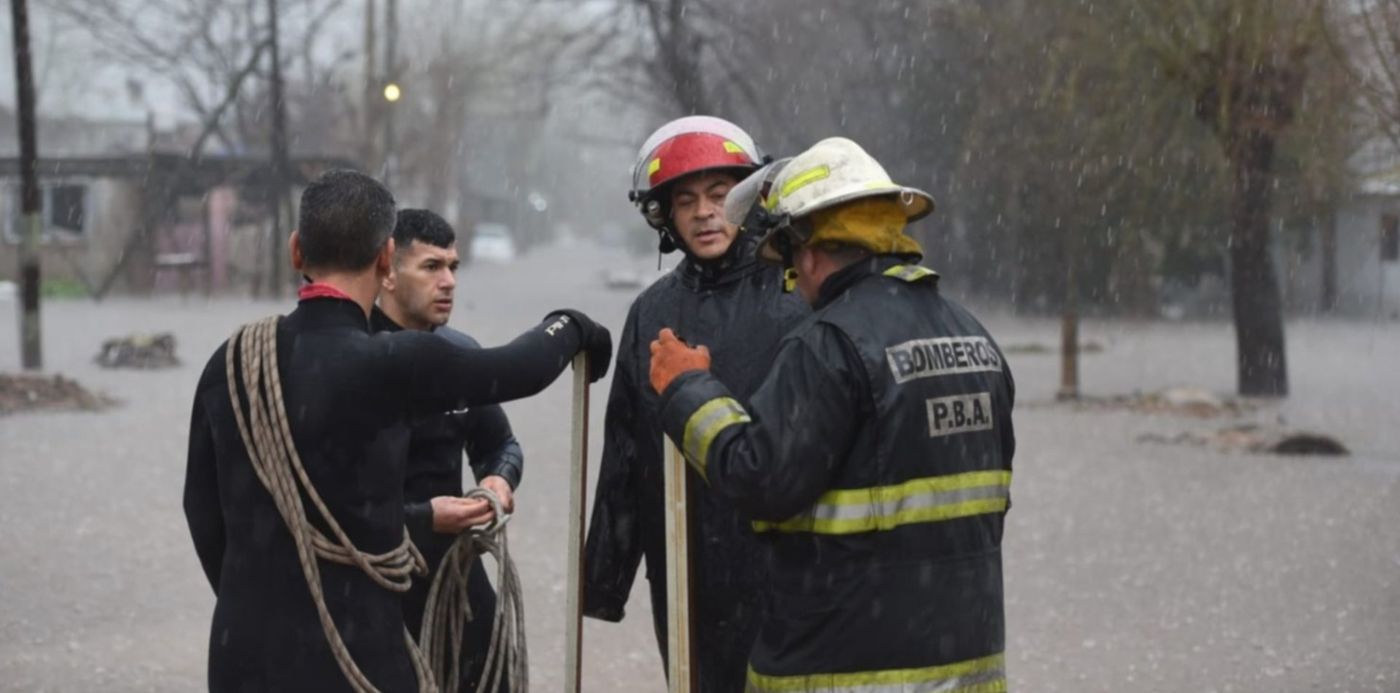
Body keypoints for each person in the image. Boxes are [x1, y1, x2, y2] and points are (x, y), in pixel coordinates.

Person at [183, 170, 611, 692]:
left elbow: (201, 511)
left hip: (241, 656)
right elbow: (521, 368)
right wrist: (573, 326)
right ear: (386, 259)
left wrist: (252, 603)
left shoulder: (230, 361)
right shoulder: (390, 363)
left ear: (296, 251)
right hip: (357, 655)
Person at [648, 138, 1016, 692]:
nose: (794, 279)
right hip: (966, 665)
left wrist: (687, 388)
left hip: (845, 667)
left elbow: (759, 477)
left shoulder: (830, 344)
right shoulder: (971, 335)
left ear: (811, 249)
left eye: (790, 259)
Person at [582, 115, 808, 691]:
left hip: (789, 562)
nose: (706, 212)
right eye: (687, 201)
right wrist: (605, 579)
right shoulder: (653, 312)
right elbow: (626, 453)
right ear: (664, 217)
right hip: (685, 564)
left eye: (719, 196)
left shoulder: (800, 294)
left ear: (751, 201)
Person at [370, 208, 520, 691]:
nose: (449, 281)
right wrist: (419, 518)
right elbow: (322, 502)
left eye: (453, 267)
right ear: (388, 271)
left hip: (455, 575)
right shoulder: (351, 359)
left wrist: (499, 479)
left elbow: (501, 443)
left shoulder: (460, 354)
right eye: (432, 267)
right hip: (376, 576)